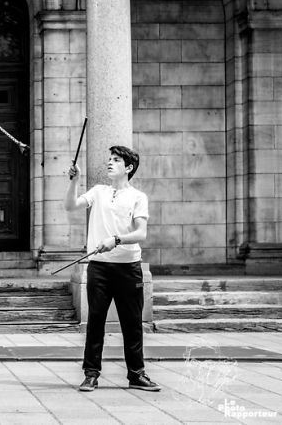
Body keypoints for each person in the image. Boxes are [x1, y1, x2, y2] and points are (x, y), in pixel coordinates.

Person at [63, 145, 161, 393]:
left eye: (116, 160)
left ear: (128, 168)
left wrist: (115, 239)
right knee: (95, 321)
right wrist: (74, 181)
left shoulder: (138, 197)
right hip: (100, 268)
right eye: (109, 159)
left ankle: (137, 374)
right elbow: (71, 206)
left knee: (132, 323)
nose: (109, 162)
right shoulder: (98, 191)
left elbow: (141, 233)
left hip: (129, 268)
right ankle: (91, 374)